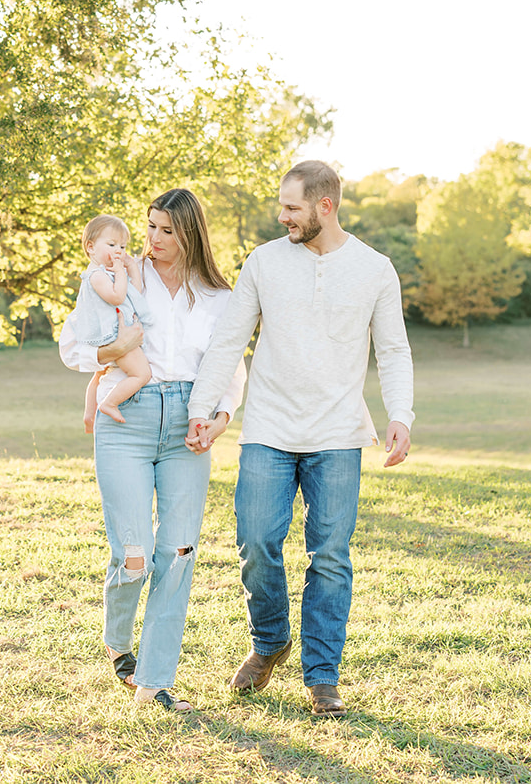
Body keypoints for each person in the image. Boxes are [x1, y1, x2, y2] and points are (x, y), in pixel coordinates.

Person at [185, 160, 414, 716]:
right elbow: (227, 341)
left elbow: (393, 349)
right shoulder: (264, 262)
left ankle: (322, 677)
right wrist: (203, 407)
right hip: (268, 426)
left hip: (337, 433)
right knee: (256, 540)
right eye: (282, 206)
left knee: (330, 556)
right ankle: (269, 642)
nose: (282, 216)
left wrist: (401, 414)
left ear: (325, 206)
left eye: (292, 208)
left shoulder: (375, 269)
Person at [59, 188, 248, 713]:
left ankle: (154, 679)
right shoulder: (118, 274)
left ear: (190, 233)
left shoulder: (220, 297)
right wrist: (112, 351)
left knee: (179, 552)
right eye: (150, 227)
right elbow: (73, 344)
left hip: (189, 422)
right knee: (135, 554)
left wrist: (219, 418)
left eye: (167, 230)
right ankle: (118, 642)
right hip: (127, 417)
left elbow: (230, 368)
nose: (154, 240)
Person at [69, 215, 155, 429]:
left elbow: (133, 293)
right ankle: (109, 403)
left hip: (115, 333)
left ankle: (90, 415)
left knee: (100, 373)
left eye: (123, 246)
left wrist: (131, 269)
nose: (119, 251)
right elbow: (117, 297)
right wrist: (119, 271)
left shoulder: (108, 273)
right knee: (142, 374)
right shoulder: (96, 276)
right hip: (115, 335)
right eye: (112, 244)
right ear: (91, 247)